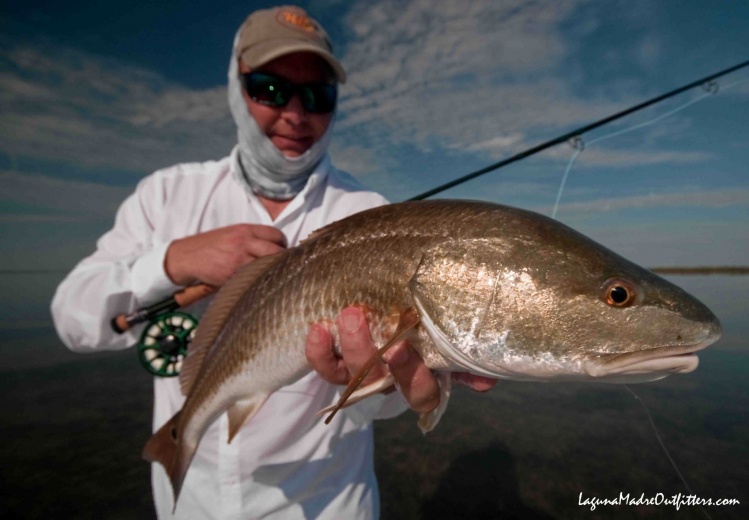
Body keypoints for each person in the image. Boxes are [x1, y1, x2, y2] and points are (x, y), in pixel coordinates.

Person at [51, 5, 494, 519]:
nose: (296, 113)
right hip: (189, 504)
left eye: (317, 95)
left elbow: (380, 403)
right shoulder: (166, 194)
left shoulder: (369, 215)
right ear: (235, 87)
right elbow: (72, 321)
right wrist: (173, 260)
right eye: (269, 88)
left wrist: (402, 390)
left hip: (326, 503)